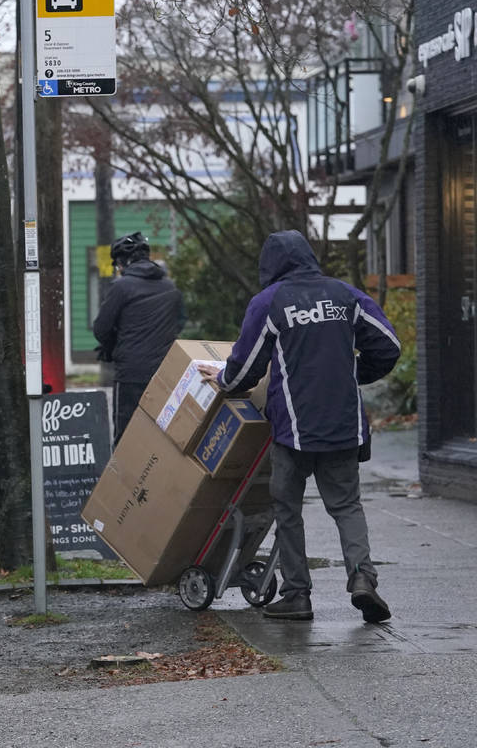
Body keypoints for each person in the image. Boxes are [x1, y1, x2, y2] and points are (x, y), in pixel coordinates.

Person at [199, 230, 401, 623]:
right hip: (343, 424)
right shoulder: (346, 296)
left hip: (294, 429)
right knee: (346, 506)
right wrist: (353, 375)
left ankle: (297, 594)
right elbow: (388, 345)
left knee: (288, 508)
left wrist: (221, 379)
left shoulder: (270, 302)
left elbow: (246, 369)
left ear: (270, 264)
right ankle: (363, 580)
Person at [93, 232, 185, 444]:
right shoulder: (170, 287)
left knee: (126, 439)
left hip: (130, 375)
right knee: (159, 436)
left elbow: (101, 328)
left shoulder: (121, 287)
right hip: (164, 373)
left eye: (117, 265)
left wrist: (113, 346)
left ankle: (125, 478)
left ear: (123, 262)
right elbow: (179, 322)